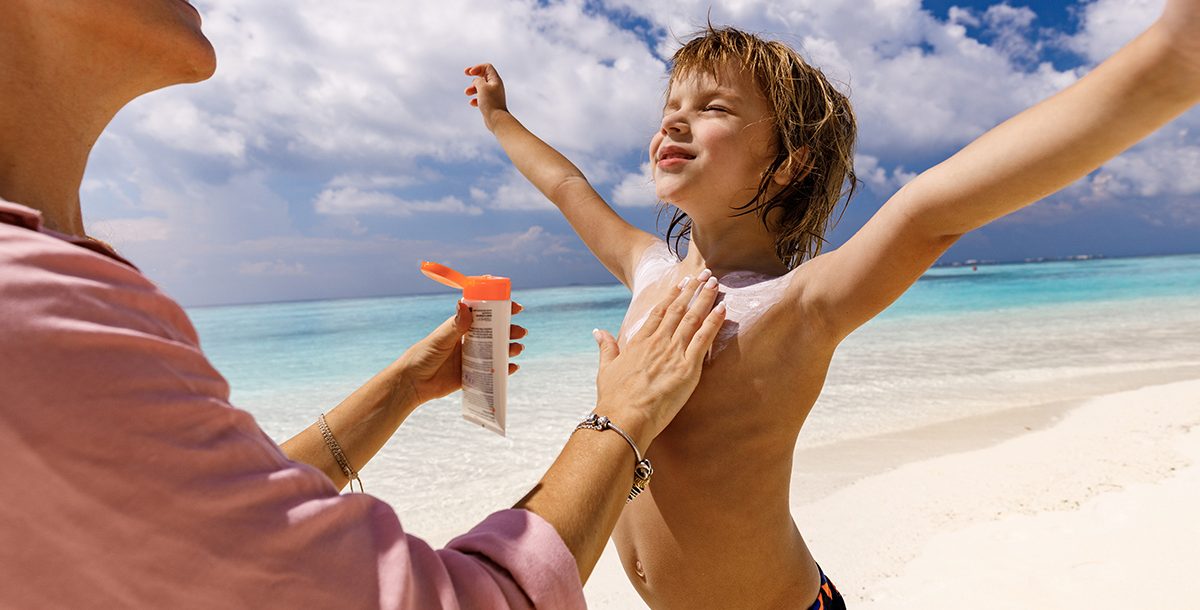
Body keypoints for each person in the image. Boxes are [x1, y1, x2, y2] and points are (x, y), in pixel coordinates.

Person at [465, 1, 1200, 607]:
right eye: (671, 105)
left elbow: (932, 211)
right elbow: (567, 187)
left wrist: (1174, 59)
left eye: (713, 107)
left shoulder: (800, 304)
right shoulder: (647, 269)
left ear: (788, 163)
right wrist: (500, 120)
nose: (675, 120)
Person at [0, 1, 728, 608]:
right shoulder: (30, 310)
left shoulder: (45, 291)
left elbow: (196, 520)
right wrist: (621, 420)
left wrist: (405, 384)